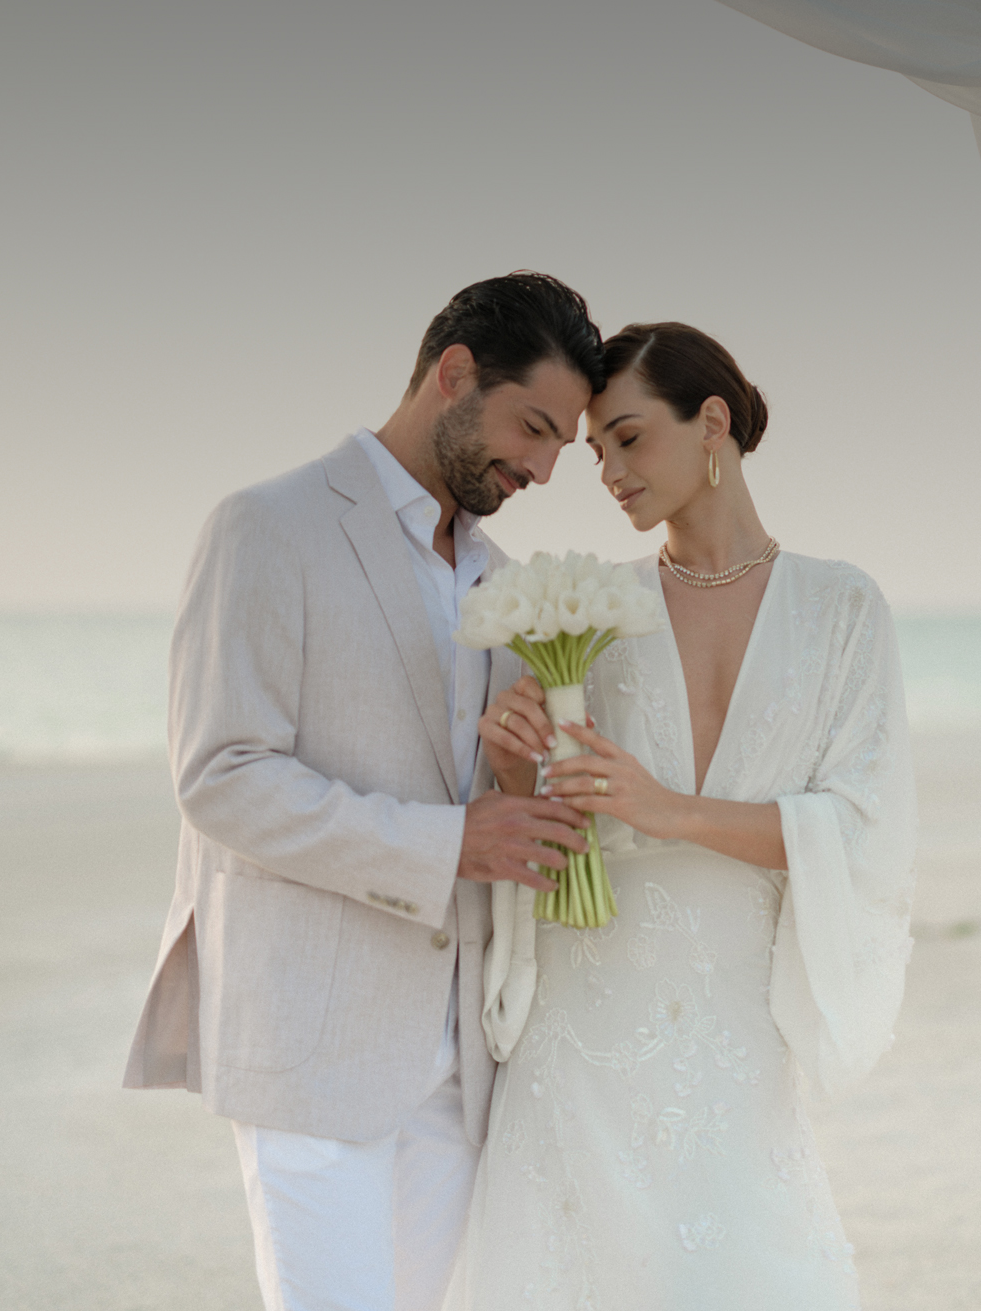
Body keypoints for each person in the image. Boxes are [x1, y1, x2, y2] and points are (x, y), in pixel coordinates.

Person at [122, 272, 607, 1311]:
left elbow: (476, 791)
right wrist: (450, 845)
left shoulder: (501, 578)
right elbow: (222, 777)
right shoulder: (267, 526)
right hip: (314, 1038)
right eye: (531, 428)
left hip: (457, 1058)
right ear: (453, 374)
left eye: (559, 446)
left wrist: (524, 768)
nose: (538, 467)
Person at [448, 323, 918, 1309]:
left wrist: (670, 810)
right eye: (593, 454)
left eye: (627, 437)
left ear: (712, 422)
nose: (609, 472)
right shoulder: (581, 612)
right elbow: (538, 829)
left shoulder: (841, 609)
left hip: (733, 1024)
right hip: (580, 1023)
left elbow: (859, 828)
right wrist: (509, 761)